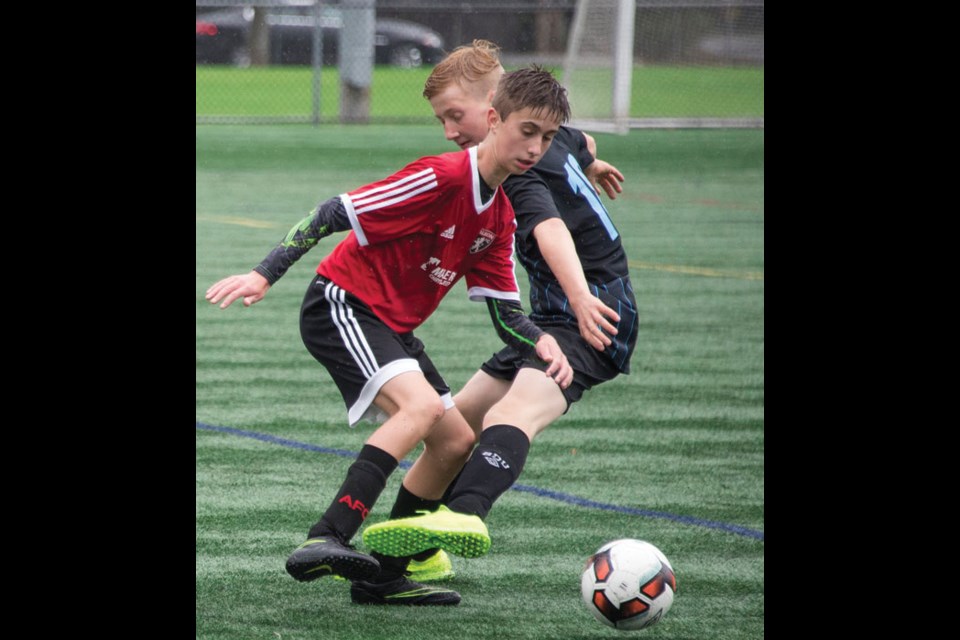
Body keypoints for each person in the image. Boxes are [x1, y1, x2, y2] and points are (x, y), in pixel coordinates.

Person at [205, 66, 574, 607]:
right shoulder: (441, 176)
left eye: (547, 137)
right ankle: (327, 535)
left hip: (391, 325)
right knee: (422, 408)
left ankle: (382, 576)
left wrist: (540, 341)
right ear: (494, 119)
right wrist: (264, 273)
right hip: (342, 301)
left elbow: (502, 311)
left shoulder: (500, 216)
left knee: (453, 442)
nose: (535, 147)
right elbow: (333, 211)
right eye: (527, 130)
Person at [361, 41, 639, 577]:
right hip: (548, 320)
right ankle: (402, 562)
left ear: (493, 105)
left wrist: (581, 296)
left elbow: (550, 228)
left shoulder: (520, 164)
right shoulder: (549, 140)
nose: (449, 131)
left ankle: (466, 513)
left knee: (511, 414)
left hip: (596, 312)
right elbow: (582, 141)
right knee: (455, 427)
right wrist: (591, 164)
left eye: (455, 115)